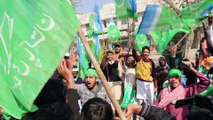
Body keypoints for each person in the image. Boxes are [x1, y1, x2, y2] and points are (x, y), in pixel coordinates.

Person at [132, 41, 156, 105]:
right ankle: (141, 114)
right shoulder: (139, 60)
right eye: (144, 52)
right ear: (142, 53)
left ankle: (150, 113)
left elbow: (154, 74)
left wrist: (155, 87)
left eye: (147, 52)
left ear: (149, 53)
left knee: (150, 99)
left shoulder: (151, 62)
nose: (146, 53)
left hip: (149, 83)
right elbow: (134, 55)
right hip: (141, 82)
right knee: (141, 100)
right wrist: (134, 47)